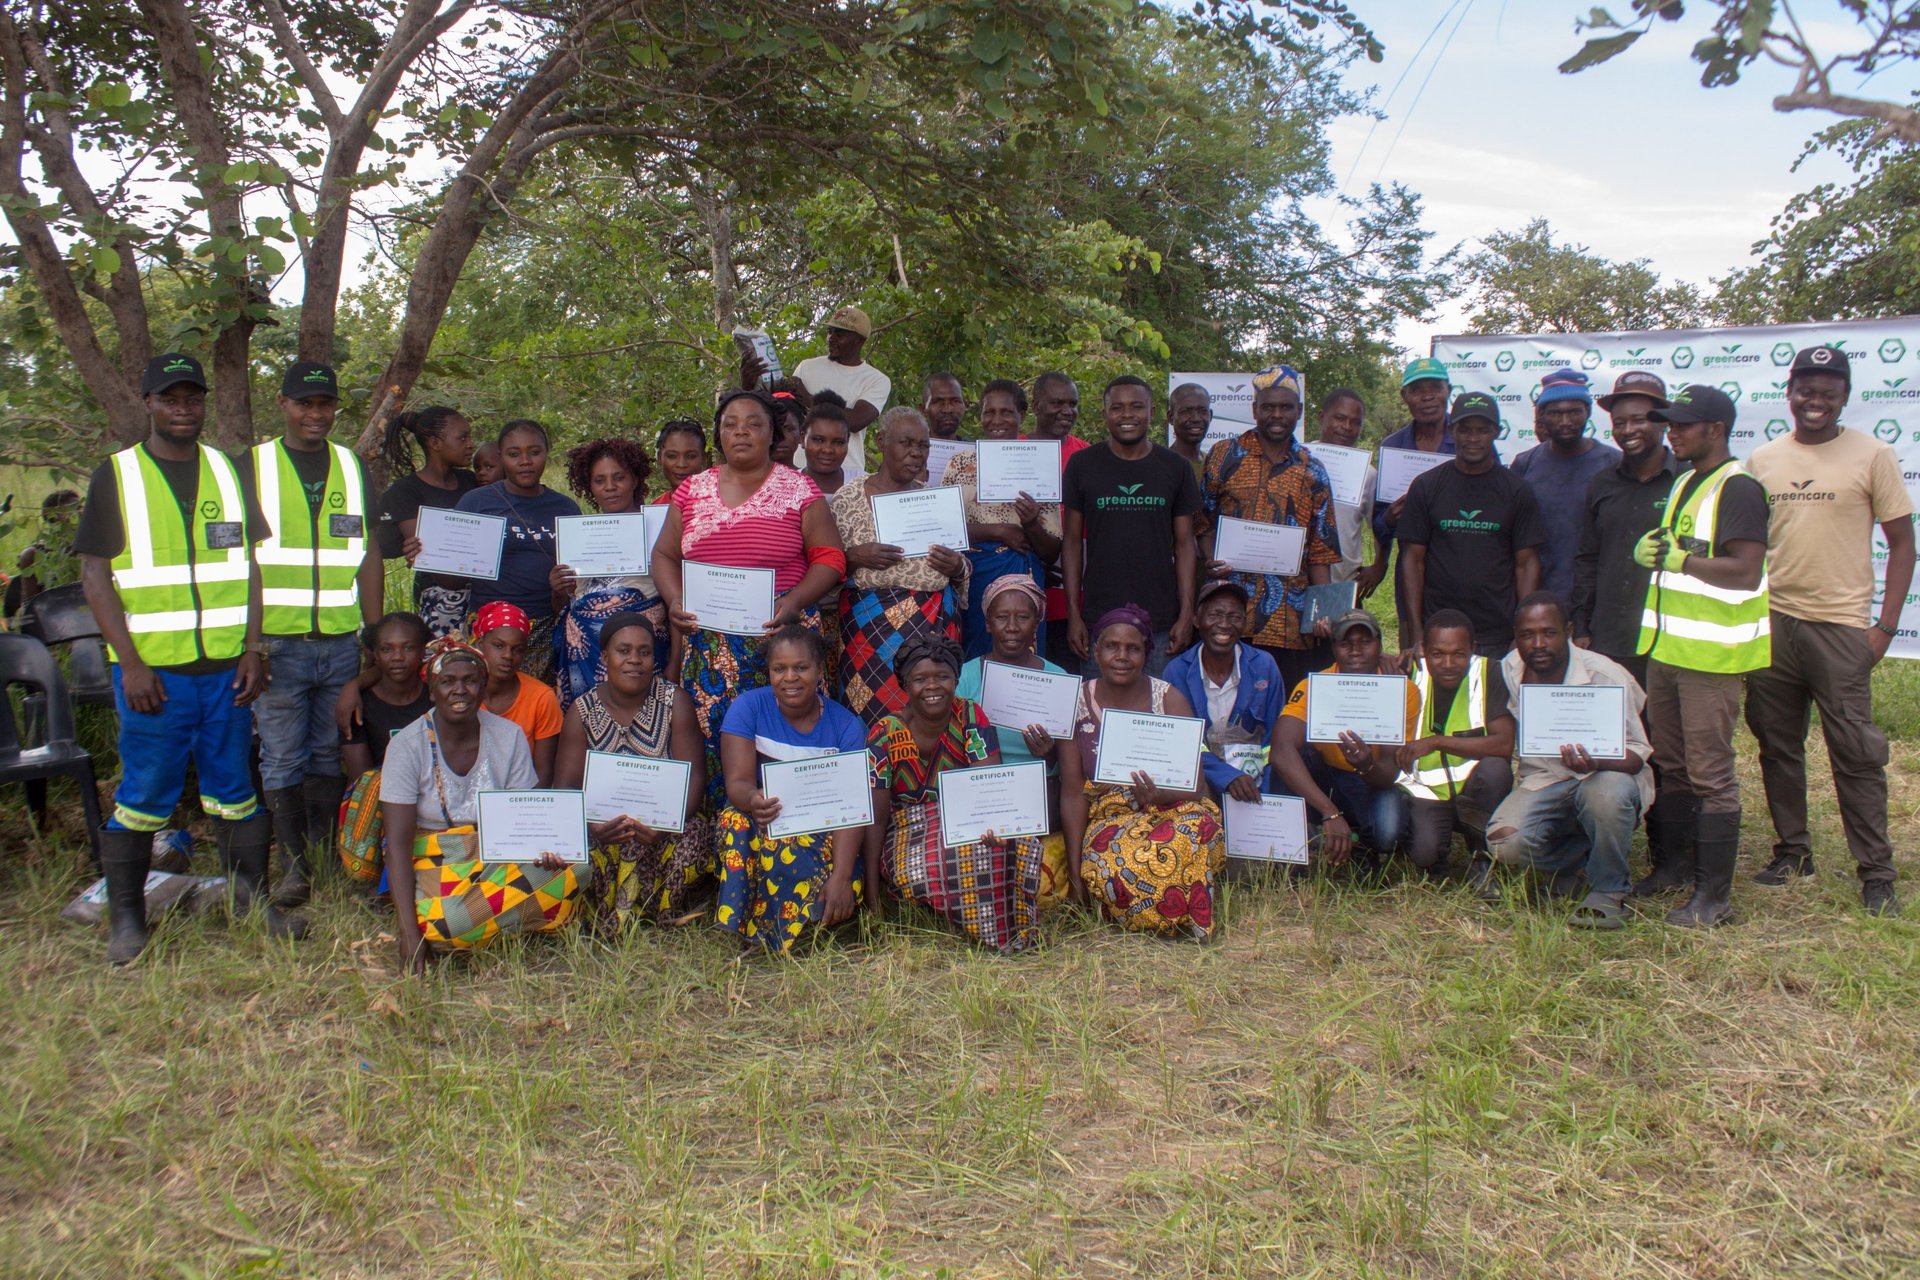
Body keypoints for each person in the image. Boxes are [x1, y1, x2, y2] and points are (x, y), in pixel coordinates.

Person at [73, 353, 298, 964]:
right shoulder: (116, 476)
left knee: (236, 789)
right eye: (170, 399)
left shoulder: (226, 471)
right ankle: (127, 919)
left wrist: (255, 647)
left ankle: (249, 900)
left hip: (227, 673)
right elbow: (95, 576)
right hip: (155, 678)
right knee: (144, 792)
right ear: (148, 403)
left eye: (192, 399)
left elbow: (250, 567)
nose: (183, 410)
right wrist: (132, 663)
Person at [1744, 346, 1916, 914]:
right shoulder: (1763, 460)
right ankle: (1794, 852)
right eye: (1806, 389)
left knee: (1856, 753)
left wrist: (1884, 627)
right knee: (1777, 746)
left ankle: (1876, 873)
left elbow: (1903, 545)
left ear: (1844, 395)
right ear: (1789, 391)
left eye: (1829, 390)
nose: (1816, 400)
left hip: (1841, 629)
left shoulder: (1873, 454)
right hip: (1775, 624)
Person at [652, 388, 846, 810]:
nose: (741, 432)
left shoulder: (799, 488)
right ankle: (726, 845)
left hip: (782, 639)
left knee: (783, 738)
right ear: (718, 436)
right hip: (709, 645)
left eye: (753, 424)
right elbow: (665, 555)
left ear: (772, 432)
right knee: (713, 739)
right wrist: (674, 601)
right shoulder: (691, 490)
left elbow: (830, 558)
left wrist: (794, 601)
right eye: (730, 425)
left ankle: (792, 839)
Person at [1629, 385, 1770, 926]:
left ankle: (1714, 898)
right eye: (1670, 423)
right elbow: (1679, 551)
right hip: (1668, 649)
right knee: (1673, 765)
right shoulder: (1687, 480)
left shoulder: (1739, 489)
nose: (1672, 432)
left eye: (1683, 425)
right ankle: (1676, 868)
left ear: (1716, 429)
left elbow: (1746, 571)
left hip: (1712, 658)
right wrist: (1656, 553)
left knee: (1712, 775)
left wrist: (1682, 561)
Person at [249, 360, 383, 910]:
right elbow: (241, 562)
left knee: (329, 751)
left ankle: (327, 856)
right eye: (304, 403)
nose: (315, 413)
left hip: (338, 641)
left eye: (325, 404)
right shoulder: (251, 467)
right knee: (282, 757)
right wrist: (251, 644)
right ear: (283, 404)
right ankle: (293, 867)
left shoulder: (352, 467)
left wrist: (371, 631)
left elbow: (371, 553)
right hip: (277, 643)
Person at [381, 642, 579, 973]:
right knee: (449, 923)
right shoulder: (406, 745)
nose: (460, 690)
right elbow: (397, 849)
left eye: (470, 681)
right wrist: (408, 935)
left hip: (495, 855)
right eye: (447, 682)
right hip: (438, 857)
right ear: (432, 691)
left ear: (483, 687)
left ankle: (472, 923)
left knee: (578, 867)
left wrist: (544, 850)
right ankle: (501, 918)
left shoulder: (509, 736)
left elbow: (524, 819)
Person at [1485, 594, 1656, 928]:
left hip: (1603, 777)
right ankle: (1579, 865)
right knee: (1504, 844)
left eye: (1548, 633)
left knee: (1605, 794)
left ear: (1568, 631)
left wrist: (1596, 761)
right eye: (1526, 635)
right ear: (1515, 636)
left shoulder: (1605, 675)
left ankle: (1609, 889)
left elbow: (1638, 754)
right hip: (1543, 781)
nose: (1537, 644)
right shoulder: (1509, 669)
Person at [866, 635, 1044, 952]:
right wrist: (872, 897)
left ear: (956, 679)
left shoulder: (970, 716)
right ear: (905, 684)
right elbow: (877, 822)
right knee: (946, 860)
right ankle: (987, 929)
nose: (932, 687)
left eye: (942, 677)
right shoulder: (885, 734)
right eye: (920, 679)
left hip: (968, 818)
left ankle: (1008, 933)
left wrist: (997, 825)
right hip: (910, 832)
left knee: (1013, 841)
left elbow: (992, 787)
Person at [1060, 606, 1226, 937]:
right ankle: (1167, 912)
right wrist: (1075, 875)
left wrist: (1160, 795)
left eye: (1133, 648)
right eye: (1111, 647)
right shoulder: (1073, 703)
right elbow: (1073, 792)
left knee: (1196, 828)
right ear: (1096, 651)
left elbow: (1196, 786)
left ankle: (1157, 911)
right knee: (1113, 862)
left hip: (1171, 810)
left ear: (1146, 654)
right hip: (1110, 819)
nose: (1122, 656)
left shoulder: (1169, 699)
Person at [553, 611, 712, 933]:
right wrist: (595, 826)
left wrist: (666, 825)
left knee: (694, 836)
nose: (634, 660)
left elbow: (695, 778)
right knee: (573, 843)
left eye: (644, 651)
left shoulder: (673, 701)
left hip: (662, 825)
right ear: (604, 657)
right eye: (623, 651)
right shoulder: (582, 711)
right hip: (604, 829)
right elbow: (566, 787)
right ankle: (610, 910)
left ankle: (660, 909)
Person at [715, 625, 870, 951]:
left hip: (824, 830)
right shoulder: (748, 709)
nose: (790, 677)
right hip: (767, 818)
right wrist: (752, 799)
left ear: (819, 670)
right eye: (779, 668)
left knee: (795, 847)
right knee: (735, 820)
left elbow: (853, 810)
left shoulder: (846, 726)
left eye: (801, 668)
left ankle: (794, 928)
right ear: (768, 671)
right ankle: (747, 927)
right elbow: (738, 783)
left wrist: (841, 876)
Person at [1199, 365, 1342, 691]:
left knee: (1283, 707)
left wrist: (1326, 614)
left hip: (1290, 619)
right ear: (1254, 409)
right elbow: (1202, 522)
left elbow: (1321, 551)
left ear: (1299, 412)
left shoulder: (1313, 471)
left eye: (1285, 407)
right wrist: (1212, 562)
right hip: (1230, 611)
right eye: (1268, 407)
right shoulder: (1225, 455)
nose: (1276, 415)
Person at [830, 406, 970, 723]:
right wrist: (854, 557)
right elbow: (827, 564)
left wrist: (957, 567)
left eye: (923, 446)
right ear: (881, 441)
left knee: (928, 719)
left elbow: (962, 568)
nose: (916, 453)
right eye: (906, 443)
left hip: (933, 631)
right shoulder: (847, 498)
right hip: (870, 632)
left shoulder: (936, 500)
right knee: (869, 716)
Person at [1062, 376, 1201, 676]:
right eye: (1117, 407)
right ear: (1105, 414)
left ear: (1152, 413)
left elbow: (1185, 543)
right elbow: (1072, 542)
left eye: (1137, 407)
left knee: (1157, 714)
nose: (1127, 415)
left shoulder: (1176, 467)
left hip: (1161, 620)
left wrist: (1186, 613)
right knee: (1097, 714)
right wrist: (1074, 613)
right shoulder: (1082, 465)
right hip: (1099, 620)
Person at [1398, 391, 1544, 658]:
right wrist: (1418, 633)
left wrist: (1520, 633)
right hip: (1440, 634)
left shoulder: (1517, 491)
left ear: (1497, 432)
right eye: (1465, 430)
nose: (1473, 438)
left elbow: (1526, 564)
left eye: (1483, 430)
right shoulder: (1427, 486)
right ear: (1452, 431)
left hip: (1498, 634)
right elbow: (1412, 561)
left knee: (1495, 701)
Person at [1270, 609, 1415, 867]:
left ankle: (1355, 842)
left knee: (1388, 833)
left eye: (1365, 642)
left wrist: (1366, 764)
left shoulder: (1402, 690)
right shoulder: (1315, 685)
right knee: (1288, 762)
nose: (1355, 651)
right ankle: (1314, 830)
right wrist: (1329, 811)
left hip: (1372, 782)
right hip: (1325, 776)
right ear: (1334, 647)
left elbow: (1389, 772)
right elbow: (1280, 749)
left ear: (1380, 645)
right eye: (1345, 643)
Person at [1571, 371, 1677, 683]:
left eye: (1639, 420)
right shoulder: (1601, 483)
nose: (1627, 430)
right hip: (1608, 638)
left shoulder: (1687, 481)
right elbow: (1587, 558)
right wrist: (1581, 625)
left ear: (1662, 422)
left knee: (1664, 732)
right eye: (1619, 423)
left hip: (1666, 639)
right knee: (1610, 729)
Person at [453, 419, 580, 679]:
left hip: (543, 627)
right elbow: (451, 577)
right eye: (514, 454)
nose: (525, 461)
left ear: (546, 453)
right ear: (500, 457)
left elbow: (573, 583)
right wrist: (427, 555)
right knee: (486, 702)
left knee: (535, 705)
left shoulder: (565, 509)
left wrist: (562, 587)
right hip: (487, 628)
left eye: (534, 452)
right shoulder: (476, 503)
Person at [1396, 610, 1514, 886]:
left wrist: (1436, 741)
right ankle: (1436, 850)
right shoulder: (1408, 671)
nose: (1448, 663)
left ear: (1472, 649)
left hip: (1474, 788)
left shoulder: (1490, 672)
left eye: (1459, 654)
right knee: (1424, 854)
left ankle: (1482, 855)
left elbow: (1504, 744)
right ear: (1423, 649)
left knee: (1496, 769)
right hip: (1425, 790)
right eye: (1438, 654)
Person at [945, 378, 1061, 659]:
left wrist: (1031, 522)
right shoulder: (961, 462)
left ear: (1022, 415)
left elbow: (1051, 550)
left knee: (1023, 658)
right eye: (989, 412)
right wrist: (998, 531)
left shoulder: (1040, 464)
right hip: (973, 578)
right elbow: (944, 530)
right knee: (976, 654)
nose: (996, 420)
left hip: (1024, 577)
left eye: (1006, 412)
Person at [552, 437, 667, 709]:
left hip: (643, 658)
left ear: (635, 479)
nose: (610, 488)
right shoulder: (577, 537)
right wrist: (557, 589)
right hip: (584, 662)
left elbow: (675, 597)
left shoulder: (659, 528)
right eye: (599, 480)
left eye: (619, 477)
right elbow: (564, 605)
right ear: (589, 486)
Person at [1161, 581, 1287, 805]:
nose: (1224, 625)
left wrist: (1265, 798)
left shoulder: (1264, 666)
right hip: (1201, 782)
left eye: (1235, 617)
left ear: (1245, 623)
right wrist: (1227, 776)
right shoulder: (1177, 672)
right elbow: (1180, 745)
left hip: (1256, 782)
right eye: (1215, 615)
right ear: (1197, 620)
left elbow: (1274, 738)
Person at [336, 612, 431, 886]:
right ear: (374, 655)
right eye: (387, 649)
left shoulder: (436, 694)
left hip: (435, 791)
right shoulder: (358, 705)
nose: (398, 657)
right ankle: (378, 876)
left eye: (408, 648)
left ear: (423, 650)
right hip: (384, 801)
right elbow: (361, 779)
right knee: (376, 782)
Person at [1509, 369, 1620, 602]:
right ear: (1542, 416)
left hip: (1596, 599)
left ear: (1588, 412)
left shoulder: (1614, 464)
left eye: (1574, 412)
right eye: (1555, 413)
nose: (1565, 422)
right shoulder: (1524, 464)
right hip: (1538, 598)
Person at [374, 405, 477, 638]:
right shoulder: (406, 492)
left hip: (481, 594)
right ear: (435, 443)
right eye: (462, 438)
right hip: (440, 602)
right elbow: (429, 554)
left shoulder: (471, 481)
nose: (470, 444)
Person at [1372, 357, 1455, 641]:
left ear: (1448, 390)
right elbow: (1378, 522)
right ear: (1405, 396)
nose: (1428, 396)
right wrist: (1390, 518)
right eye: (1418, 389)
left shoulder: (1468, 438)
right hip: (1412, 576)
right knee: (1415, 651)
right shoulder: (1393, 447)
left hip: (1463, 570)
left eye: (1435, 387)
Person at [470, 601, 562, 786]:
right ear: (481, 644)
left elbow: (543, 773)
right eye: (498, 646)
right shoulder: (463, 693)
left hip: (522, 800)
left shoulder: (541, 698)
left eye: (517, 649)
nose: (507, 655)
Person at [1029, 371, 1088, 660]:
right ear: (1035, 405)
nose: (1067, 411)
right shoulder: (1010, 452)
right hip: (1024, 592)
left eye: (1072, 404)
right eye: (1056, 403)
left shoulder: (1088, 458)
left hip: (1074, 600)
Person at [785, 305, 892, 461]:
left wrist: (806, 399)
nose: (831, 338)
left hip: (847, 476)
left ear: (859, 341)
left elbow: (855, 421)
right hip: (801, 470)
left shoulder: (876, 380)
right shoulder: (807, 367)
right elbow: (790, 413)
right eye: (830, 332)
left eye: (840, 334)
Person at [1311, 388, 1384, 597]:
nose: (1347, 427)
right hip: (1295, 583)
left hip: (1343, 584)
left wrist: (1380, 564)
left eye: (1355, 422)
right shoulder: (1298, 460)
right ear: (1322, 417)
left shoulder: (1368, 474)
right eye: (1340, 418)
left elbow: (1380, 526)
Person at [3, 488, 80, 619]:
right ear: (52, 519)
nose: (79, 513)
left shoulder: (92, 545)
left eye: (80, 507)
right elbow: (34, 607)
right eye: (70, 510)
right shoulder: (35, 555)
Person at [800, 391, 860, 495]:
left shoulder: (865, 486)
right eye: (818, 440)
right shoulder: (783, 486)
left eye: (838, 442)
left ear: (847, 441)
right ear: (802, 439)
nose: (828, 450)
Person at [653, 419, 710, 501]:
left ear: (704, 458)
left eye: (691, 456)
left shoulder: (722, 504)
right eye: (672, 456)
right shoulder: (654, 509)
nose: (681, 464)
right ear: (659, 458)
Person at [1168, 383, 1213, 475]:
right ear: (1171, 417)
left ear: (1210, 416)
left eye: (1202, 411)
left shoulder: (1214, 466)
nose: (1196, 418)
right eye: (1186, 411)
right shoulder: (1159, 465)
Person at [922, 372, 966, 440]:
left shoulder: (975, 449)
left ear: (964, 406)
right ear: (923, 409)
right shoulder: (910, 450)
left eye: (955, 401)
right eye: (938, 402)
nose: (947, 410)